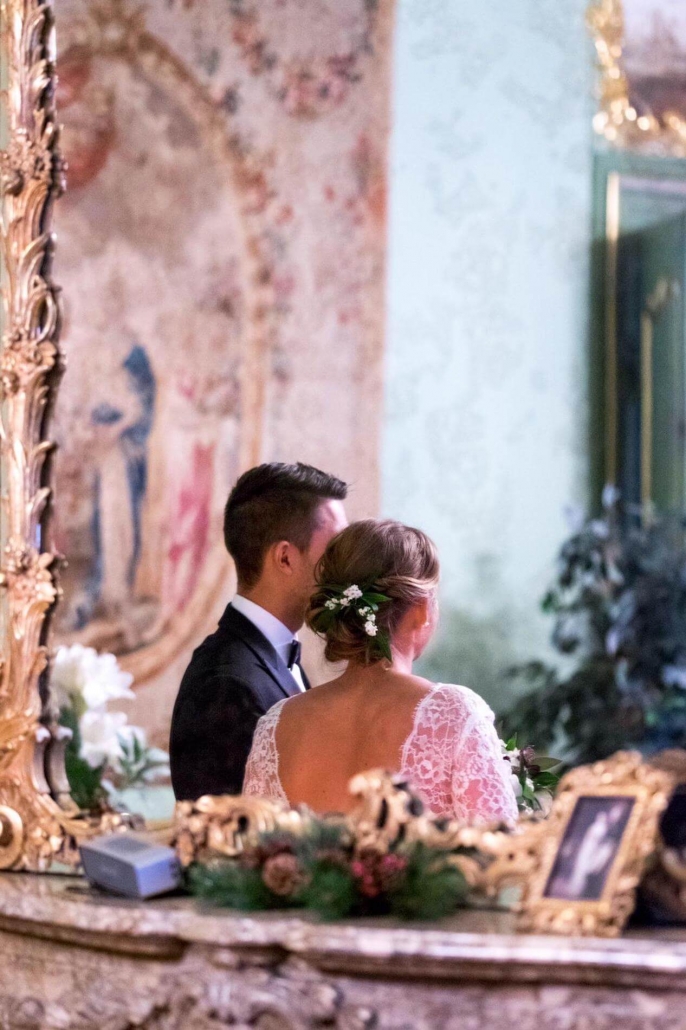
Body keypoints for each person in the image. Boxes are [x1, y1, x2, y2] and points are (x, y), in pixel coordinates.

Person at [243, 519, 518, 825]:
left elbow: (252, 847)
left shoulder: (275, 727)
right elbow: (501, 843)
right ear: (422, 610)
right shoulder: (454, 713)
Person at [170, 462, 348, 800]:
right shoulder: (224, 683)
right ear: (285, 558)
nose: (345, 568)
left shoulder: (271, 657)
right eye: (335, 551)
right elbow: (222, 826)